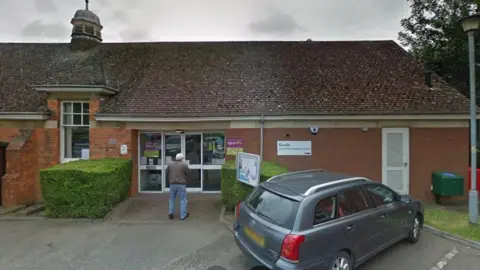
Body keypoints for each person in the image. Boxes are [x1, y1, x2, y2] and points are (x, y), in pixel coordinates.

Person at [166, 153, 190, 220]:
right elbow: (188, 173)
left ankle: (170, 213)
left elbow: (167, 173)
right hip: (181, 184)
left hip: (172, 184)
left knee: (171, 199)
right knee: (183, 200)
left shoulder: (170, 164)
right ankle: (183, 215)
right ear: (182, 159)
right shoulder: (184, 165)